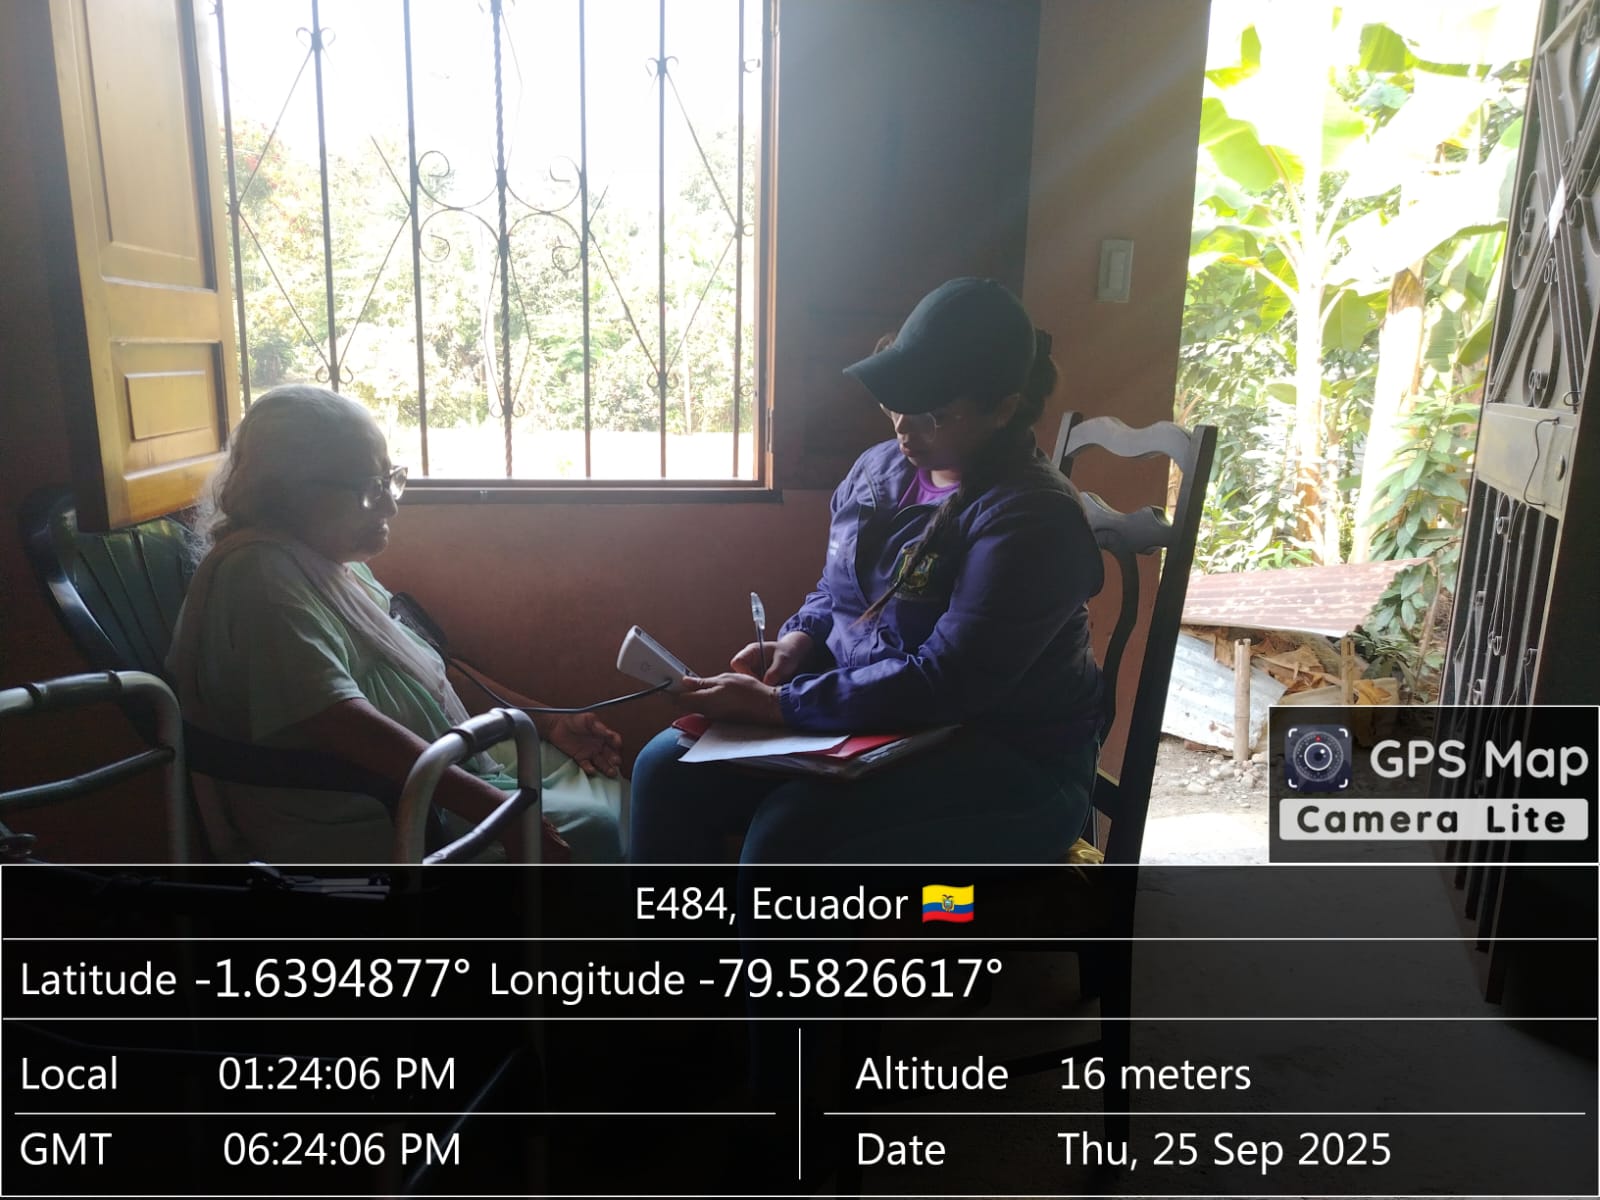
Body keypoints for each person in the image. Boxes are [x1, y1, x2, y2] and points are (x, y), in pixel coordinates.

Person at [629, 277, 1104, 867]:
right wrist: (801, 639)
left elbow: (948, 681)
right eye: (894, 403)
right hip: (881, 723)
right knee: (665, 769)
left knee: (790, 836)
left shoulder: (1032, 519)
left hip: (1007, 758)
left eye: (933, 415)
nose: (903, 427)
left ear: (1003, 410)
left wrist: (778, 706)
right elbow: (840, 588)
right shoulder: (880, 469)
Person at [166, 384, 626, 863]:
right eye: (370, 489)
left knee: (604, 780)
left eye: (390, 480)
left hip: (438, 767)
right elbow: (347, 727)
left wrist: (550, 722)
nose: (390, 506)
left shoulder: (328, 563)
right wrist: (498, 811)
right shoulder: (260, 579)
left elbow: (428, 671)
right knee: (595, 824)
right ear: (286, 493)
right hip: (371, 809)